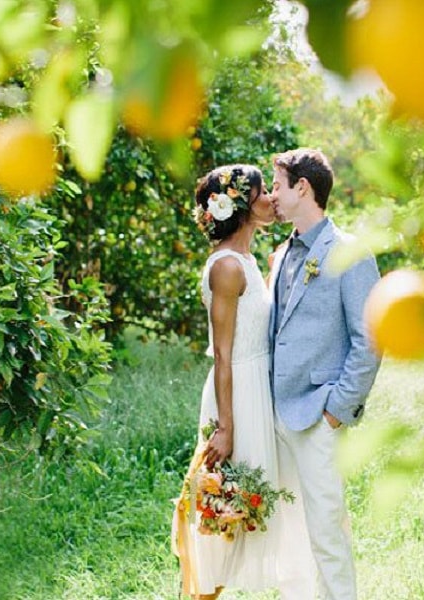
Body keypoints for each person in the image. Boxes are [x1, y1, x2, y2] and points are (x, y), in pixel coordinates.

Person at [171, 164, 313, 599]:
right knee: (224, 517)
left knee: (250, 511)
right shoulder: (227, 268)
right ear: (242, 206)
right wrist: (226, 428)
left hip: (259, 393)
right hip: (236, 396)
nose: (271, 198)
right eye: (261, 193)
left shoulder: (248, 262)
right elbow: (225, 354)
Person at [268, 148, 382, 600]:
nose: (273, 195)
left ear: (302, 187)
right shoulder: (282, 254)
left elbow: (370, 338)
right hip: (276, 415)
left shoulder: (350, 252)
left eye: (278, 185)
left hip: (319, 416)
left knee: (328, 534)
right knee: (289, 537)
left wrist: (336, 410)